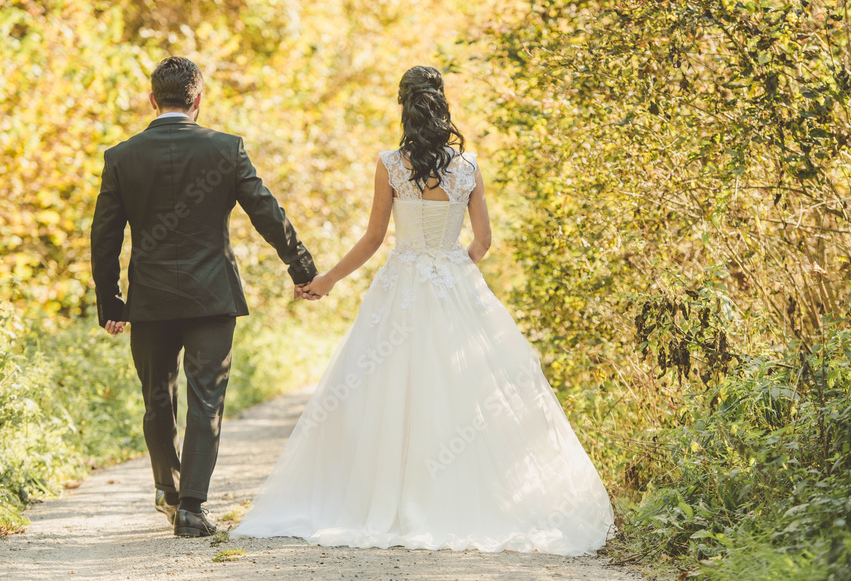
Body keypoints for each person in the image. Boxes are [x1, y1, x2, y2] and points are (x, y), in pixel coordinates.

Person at [231, 66, 615, 555]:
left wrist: (326, 280)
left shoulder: (389, 164)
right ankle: (467, 498)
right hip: (454, 282)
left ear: (403, 106)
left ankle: (389, 495)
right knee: (467, 388)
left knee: (388, 385)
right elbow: (484, 241)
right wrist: (456, 268)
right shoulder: (469, 166)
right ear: (442, 105)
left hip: (403, 285)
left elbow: (373, 239)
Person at [90, 56, 318, 538]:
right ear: (198, 99)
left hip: (149, 300)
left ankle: (168, 489)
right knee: (206, 399)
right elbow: (266, 212)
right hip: (212, 297)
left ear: (152, 100)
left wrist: (111, 302)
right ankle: (191, 505)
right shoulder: (226, 149)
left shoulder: (121, 156)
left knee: (157, 397)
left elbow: (104, 237)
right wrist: (300, 267)